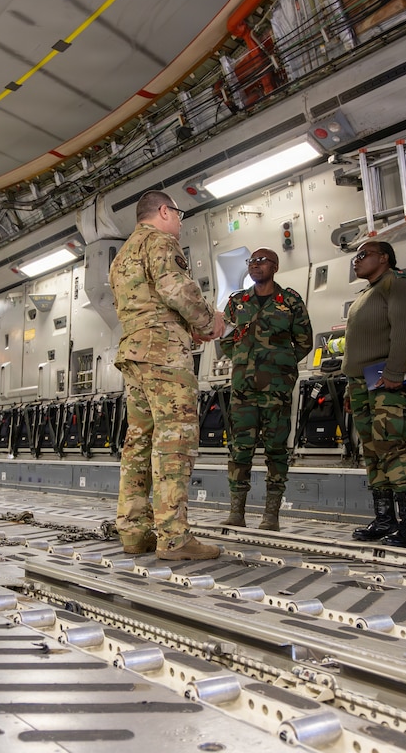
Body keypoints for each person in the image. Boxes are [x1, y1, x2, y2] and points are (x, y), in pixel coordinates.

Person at [110, 190, 225, 561]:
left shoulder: (122, 255)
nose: (180, 222)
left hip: (134, 351)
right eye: (178, 214)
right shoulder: (160, 241)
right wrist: (210, 321)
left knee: (139, 442)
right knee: (175, 441)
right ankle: (174, 538)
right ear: (164, 211)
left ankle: (133, 531)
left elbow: (144, 303)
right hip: (163, 355)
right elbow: (174, 288)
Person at [220, 248, 313, 531]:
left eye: (262, 261)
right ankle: (237, 511)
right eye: (251, 262)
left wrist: (280, 366)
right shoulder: (237, 302)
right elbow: (223, 339)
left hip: (276, 391)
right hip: (243, 390)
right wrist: (242, 361)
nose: (255, 266)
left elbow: (304, 342)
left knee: (276, 450)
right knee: (239, 450)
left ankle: (271, 514)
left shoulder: (290, 302)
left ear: (275, 266)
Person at [342, 240, 406, 547]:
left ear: (385, 258)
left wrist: (393, 373)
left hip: (385, 379)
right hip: (363, 382)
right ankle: (385, 519)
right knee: (372, 449)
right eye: (355, 256)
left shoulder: (398, 285)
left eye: (364, 255)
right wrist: (354, 388)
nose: (357, 260)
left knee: (390, 445)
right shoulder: (368, 293)